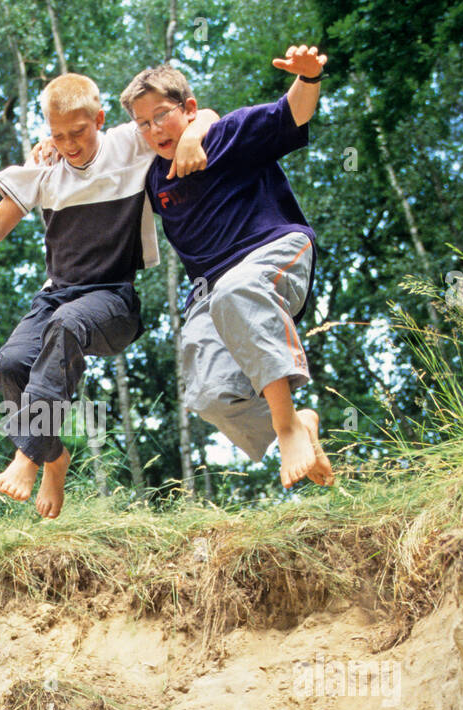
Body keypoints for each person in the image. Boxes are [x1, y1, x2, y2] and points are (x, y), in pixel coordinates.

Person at [0, 72, 218, 517]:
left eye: (78, 132)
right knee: (11, 363)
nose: (69, 145)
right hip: (56, 297)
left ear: (100, 119)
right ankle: (52, 456)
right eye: (57, 135)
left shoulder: (131, 142)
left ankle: (26, 456)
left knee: (66, 325)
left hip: (112, 301)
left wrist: (192, 138)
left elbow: (197, 114)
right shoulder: (45, 168)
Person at [119, 47, 335, 490]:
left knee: (238, 288)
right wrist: (49, 150)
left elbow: (289, 114)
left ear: (190, 108)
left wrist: (309, 78)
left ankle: (286, 428)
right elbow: (90, 159)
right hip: (210, 290)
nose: (154, 129)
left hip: (273, 252)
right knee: (208, 393)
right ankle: (299, 420)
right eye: (143, 123)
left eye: (162, 115)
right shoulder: (151, 177)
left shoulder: (228, 134)